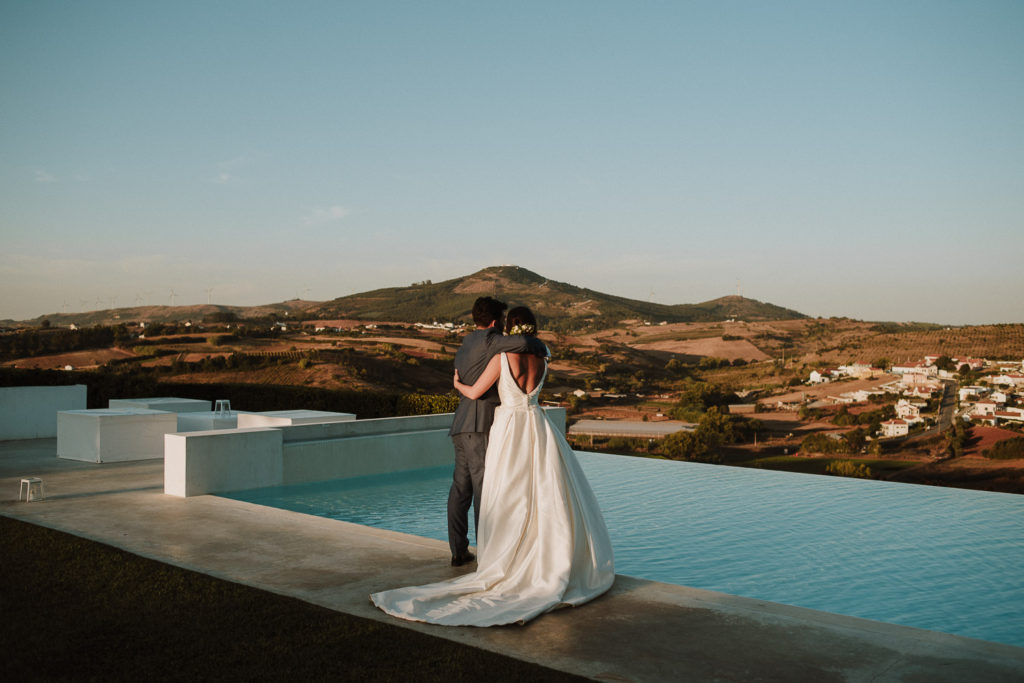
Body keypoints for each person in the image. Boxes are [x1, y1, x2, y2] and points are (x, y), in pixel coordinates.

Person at [370, 306, 614, 626]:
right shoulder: (543, 358)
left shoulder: (502, 357)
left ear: (509, 328)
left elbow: (475, 391)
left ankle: (505, 556)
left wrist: (457, 384)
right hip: (538, 425)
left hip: (510, 427)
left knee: (506, 493)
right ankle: (544, 556)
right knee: (544, 493)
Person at [446, 297, 548, 567]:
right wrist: (541, 345)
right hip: (480, 425)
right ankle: (488, 554)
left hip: (461, 424)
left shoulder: (466, 343)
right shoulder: (493, 341)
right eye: (501, 321)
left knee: (460, 489)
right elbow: (525, 343)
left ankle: (458, 550)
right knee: (485, 490)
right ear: (494, 322)